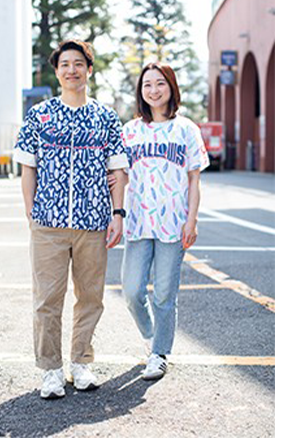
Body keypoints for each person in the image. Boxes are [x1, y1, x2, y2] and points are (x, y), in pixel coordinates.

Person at [13, 39, 129, 399]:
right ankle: (50, 370)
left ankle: (81, 363)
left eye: (78, 63)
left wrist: (117, 214)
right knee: (47, 299)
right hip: (48, 224)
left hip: (92, 223)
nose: (71, 70)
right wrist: (32, 212)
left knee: (90, 297)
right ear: (57, 71)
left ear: (89, 70)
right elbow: (28, 167)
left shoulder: (106, 117)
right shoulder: (39, 115)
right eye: (64, 64)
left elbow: (118, 170)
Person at [114, 62, 209, 381]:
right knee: (131, 291)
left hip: (173, 223)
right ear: (140, 91)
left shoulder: (187, 130)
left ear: (171, 87)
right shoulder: (130, 131)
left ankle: (159, 353)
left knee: (165, 294)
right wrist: (115, 211)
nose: (153, 90)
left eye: (160, 83)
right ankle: (152, 336)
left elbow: (194, 179)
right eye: (147, 85)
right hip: (139, 223)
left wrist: (192, 220)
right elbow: (120, 175)